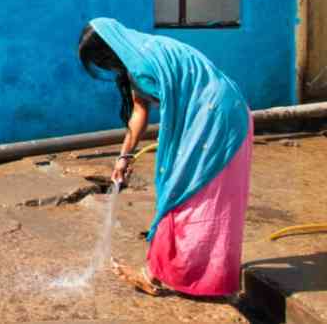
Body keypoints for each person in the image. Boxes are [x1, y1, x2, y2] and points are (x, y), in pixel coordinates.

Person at [77, 18, 253, 297]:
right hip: (222, 112)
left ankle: (162, 275)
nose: (106, 66)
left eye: (102, 59)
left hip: (215, 115)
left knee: (187, 191)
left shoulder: (143, 60)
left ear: (109, 51)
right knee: (197, 193)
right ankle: (186, 273)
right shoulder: (138, 56)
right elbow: (139, 111)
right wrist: (124, 157)